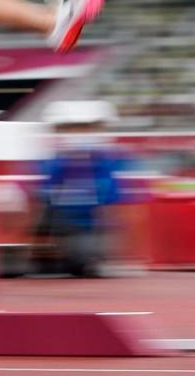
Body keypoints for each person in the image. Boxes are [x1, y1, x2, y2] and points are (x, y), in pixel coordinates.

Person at [31, 100, 132, 277]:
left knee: (87, 257)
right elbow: (43, 191)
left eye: (89, 128)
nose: (82, 133)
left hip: (91, 222)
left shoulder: (106, 159)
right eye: (74, 128)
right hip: (62, 220)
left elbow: (112, 193)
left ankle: (86, 260)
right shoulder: (52, 160)